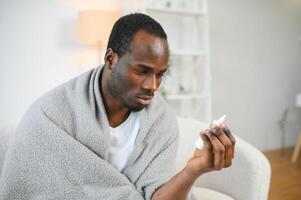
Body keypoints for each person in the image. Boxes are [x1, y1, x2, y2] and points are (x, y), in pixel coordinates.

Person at [0, 13, 235, 200]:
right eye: (142, 71)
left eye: (160, 74)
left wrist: (193, 170)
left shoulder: (161, 120)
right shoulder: (51, 114)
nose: (152, 86)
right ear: (111, 59)